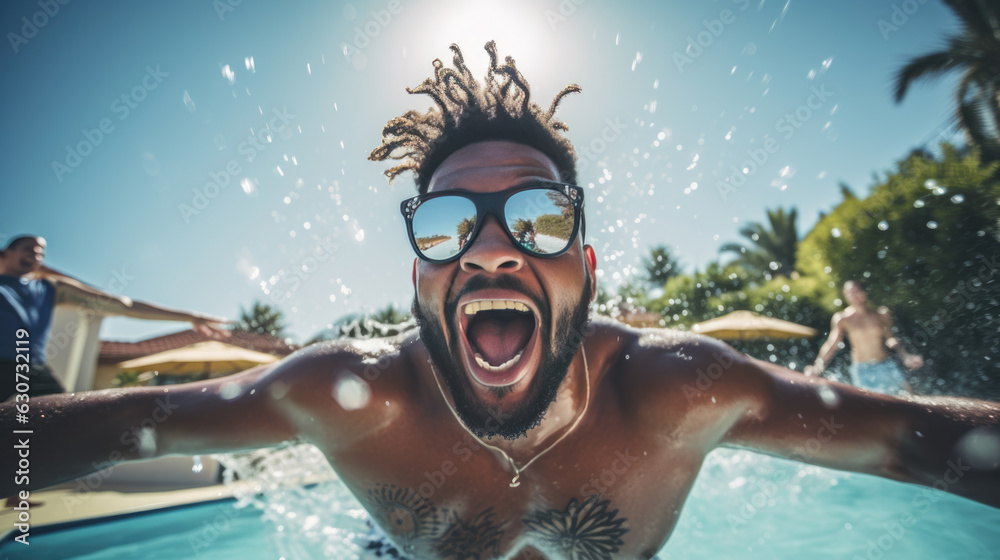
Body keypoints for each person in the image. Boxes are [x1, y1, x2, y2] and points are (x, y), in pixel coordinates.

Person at [3, 43, 998, 559]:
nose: (487, 247)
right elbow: (111, 422)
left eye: (536, 219)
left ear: (588, 269)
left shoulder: (679, 391)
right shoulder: (350, 394)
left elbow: (919, 439)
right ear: (419, 282)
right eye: (444, 228)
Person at [0, 235, 229, 402]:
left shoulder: (51, 287)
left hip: (31, 367)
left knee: (69, 419)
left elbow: (124, 305)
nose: (36, 255)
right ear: (7, 253)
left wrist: (190, 317)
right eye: (29, 249)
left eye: (40, 252)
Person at [804, 280, 923, 396]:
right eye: (849, 293)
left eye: (855, 291)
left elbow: (890, 339)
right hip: (861, 370)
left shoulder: (881, 314)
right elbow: (832, 343)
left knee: (908, 398)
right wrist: (818, 366)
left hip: (885, 364)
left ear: (864, 292)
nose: (853, 295)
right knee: (871, 408)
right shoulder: (843, 318)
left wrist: (905, 356)